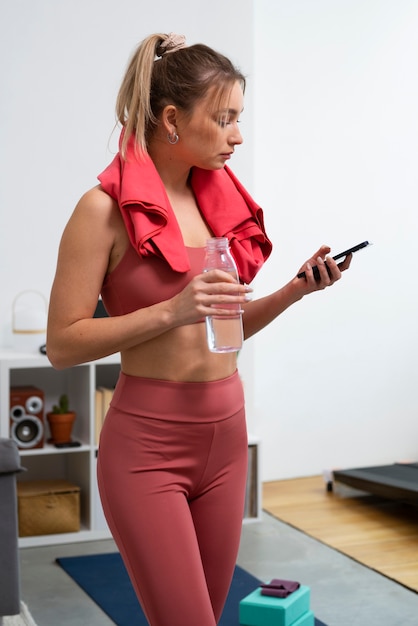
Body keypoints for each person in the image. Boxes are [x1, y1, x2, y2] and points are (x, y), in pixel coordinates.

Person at [46, 32, 352, 626]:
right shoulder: (102, 210)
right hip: (148, 451)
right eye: (225, 119)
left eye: (240, 119)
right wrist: (170, 311)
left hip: (226, 438)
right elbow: (62, 344)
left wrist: (296, 288)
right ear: (171, 119)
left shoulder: (219, 206)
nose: (238, 135)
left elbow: (226, 327)